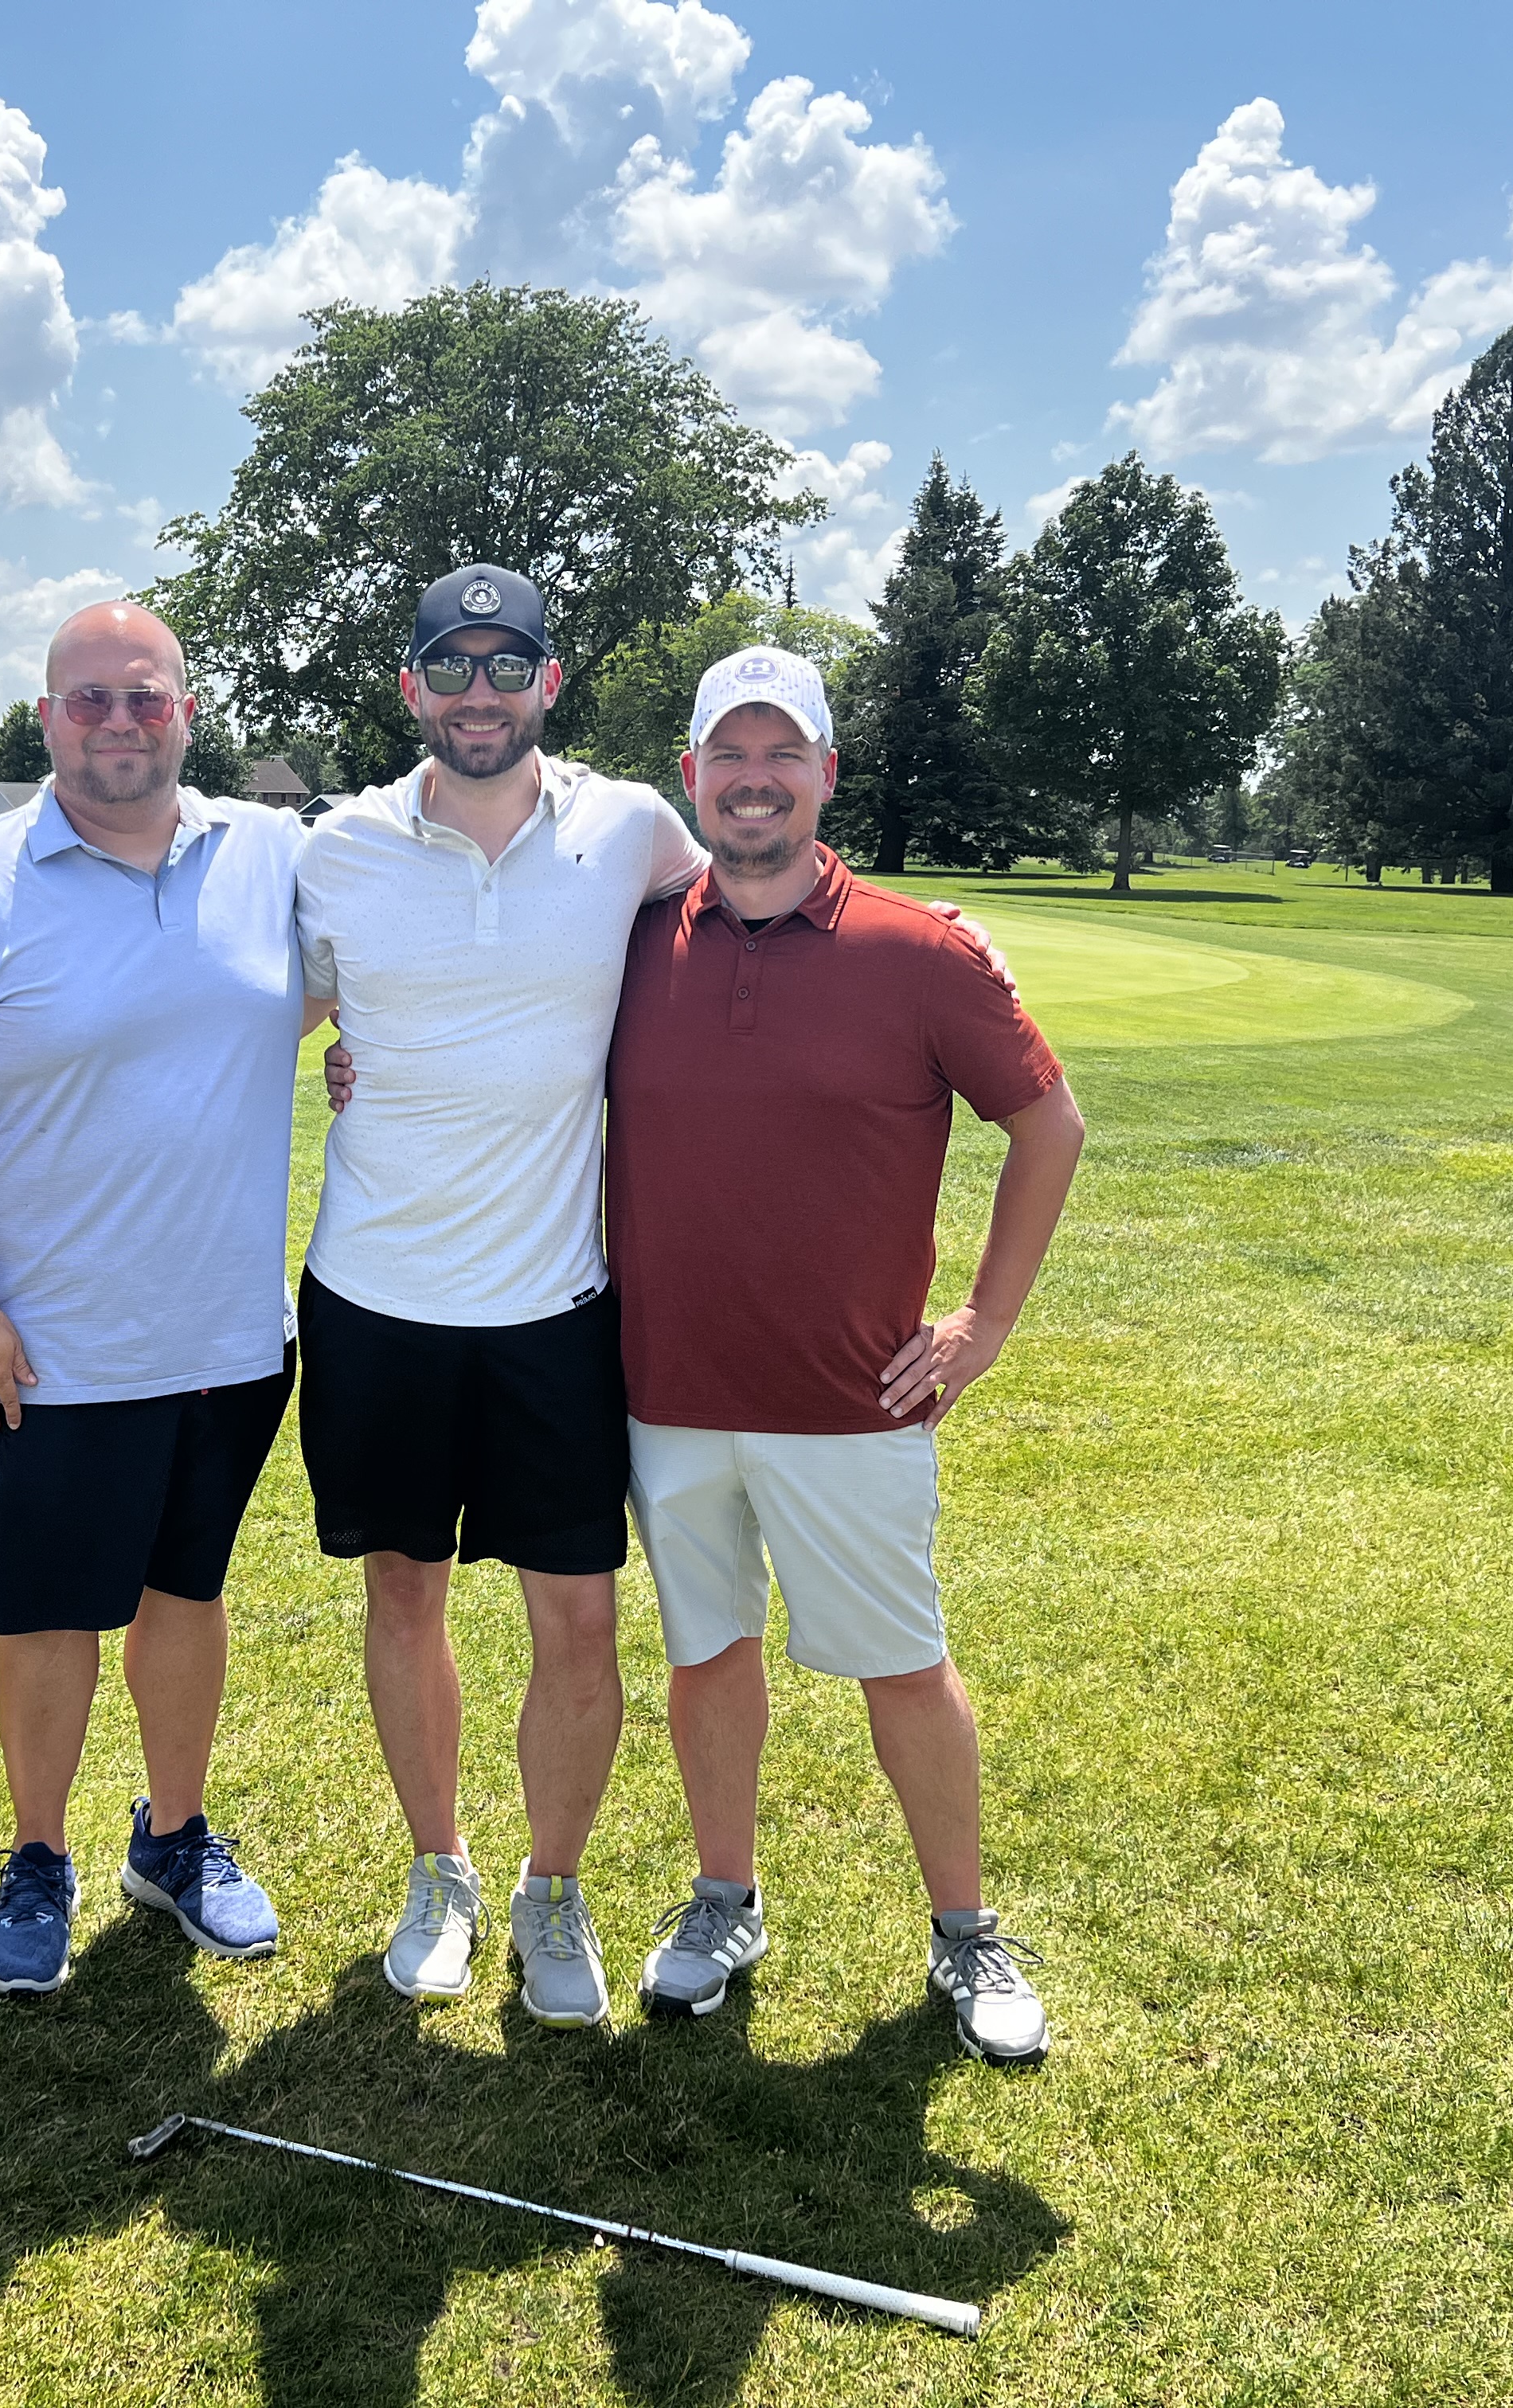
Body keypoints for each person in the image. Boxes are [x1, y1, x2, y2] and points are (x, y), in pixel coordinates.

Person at [607, 647, 1084, 2062]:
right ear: (690, 776)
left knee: (900, 1665)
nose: (755, 780)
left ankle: (963, 1931)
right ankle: (723, 1897)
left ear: (826, 774)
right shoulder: (630, 940)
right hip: (666, 1389)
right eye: (728, 757)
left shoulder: (922, 951)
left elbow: (1048, 1125)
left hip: (853, 1398)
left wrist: (984, 1324)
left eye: (784, 754)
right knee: (708, 1655)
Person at [293, 564, 709, 2030]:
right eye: (450, 668)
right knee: (401, 1592)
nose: (480, 693)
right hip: (376, 1299)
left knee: (578, 1620)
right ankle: (438, 1870)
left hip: (554, 1308)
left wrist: (932, 936)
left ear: (550, 681)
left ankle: (551, 1890)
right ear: (410, 689)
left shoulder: (630, 830)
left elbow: (752, 924)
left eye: (506, 665)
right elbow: (246, 1007)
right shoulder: (334, 847)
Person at [0, 601, 315, 1998]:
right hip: (53, 1342)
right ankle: (37, 1856)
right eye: (89, 701)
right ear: (44, 717)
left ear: (187, 709)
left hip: (232, 1335)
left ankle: (175, 1838)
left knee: (185, 1592)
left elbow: (339, 990)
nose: (118, 722)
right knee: (51, 1613)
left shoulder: (272, 855)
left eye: (144, 697)